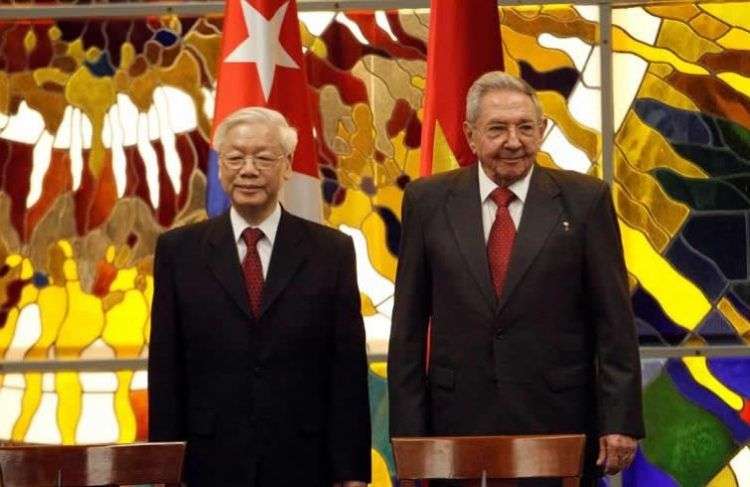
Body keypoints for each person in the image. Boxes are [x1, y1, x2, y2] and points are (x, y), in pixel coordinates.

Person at [388, 71, 644, 486]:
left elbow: (614, 321)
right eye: (497, 129)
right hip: (456, 423)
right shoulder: (427, 201)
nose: (513, 141)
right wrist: (408, 433)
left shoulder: (585, 200)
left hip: (558, 422)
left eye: (526, 127)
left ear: (542, 131)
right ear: (471, 136)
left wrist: (621, 420)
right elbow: (408, 329)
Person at [148, 106, 371, 487]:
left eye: (263, 158)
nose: (248, 170)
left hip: (303, 459)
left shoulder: (330, 251)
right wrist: (167, 467)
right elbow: (166, 370)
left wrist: (350, 473)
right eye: (235, 158)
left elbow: (346, 369)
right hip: (209, 461)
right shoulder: (178, 252)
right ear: (220, 169)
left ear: (286, 167)